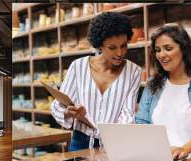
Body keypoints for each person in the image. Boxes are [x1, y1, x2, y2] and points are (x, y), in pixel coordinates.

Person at [51, 12, 141, 151]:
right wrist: (69, 112)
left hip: (114, 143)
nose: (120, 53)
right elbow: (58, 106)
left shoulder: (133, 71)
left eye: (123, 46)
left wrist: (115, 143)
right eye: (112, 47)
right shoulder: (78, 67)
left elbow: (128, 114)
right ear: (99, 45)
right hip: (80, 141)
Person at [135, 24, 191, 159]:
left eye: (168, 48)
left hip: (189, 160)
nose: (161, 55)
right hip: (156, 159)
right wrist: (162, 150)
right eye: (158, 50)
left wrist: (183, 149)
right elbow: (141, 121)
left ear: (183, 49)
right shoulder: (152, 85)